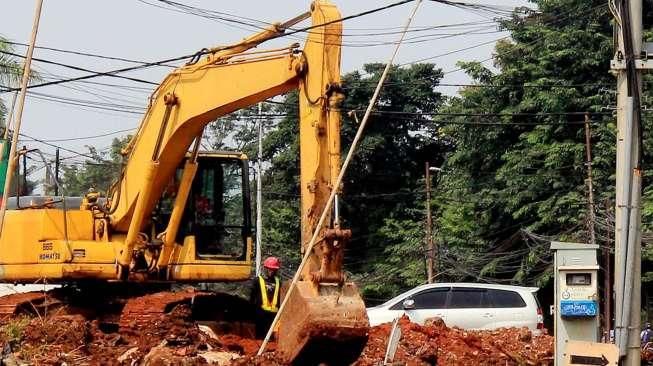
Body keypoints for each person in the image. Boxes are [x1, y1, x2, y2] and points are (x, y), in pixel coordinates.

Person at [250, 256, 281, 338]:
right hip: (260, 313)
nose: (271, 271)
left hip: (273, 315)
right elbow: (252, 297)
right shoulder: (257, 280)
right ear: (265, 268)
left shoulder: (278, 282)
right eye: (270, 269)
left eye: (274, 270)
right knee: (260, 336)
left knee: (271, 337)